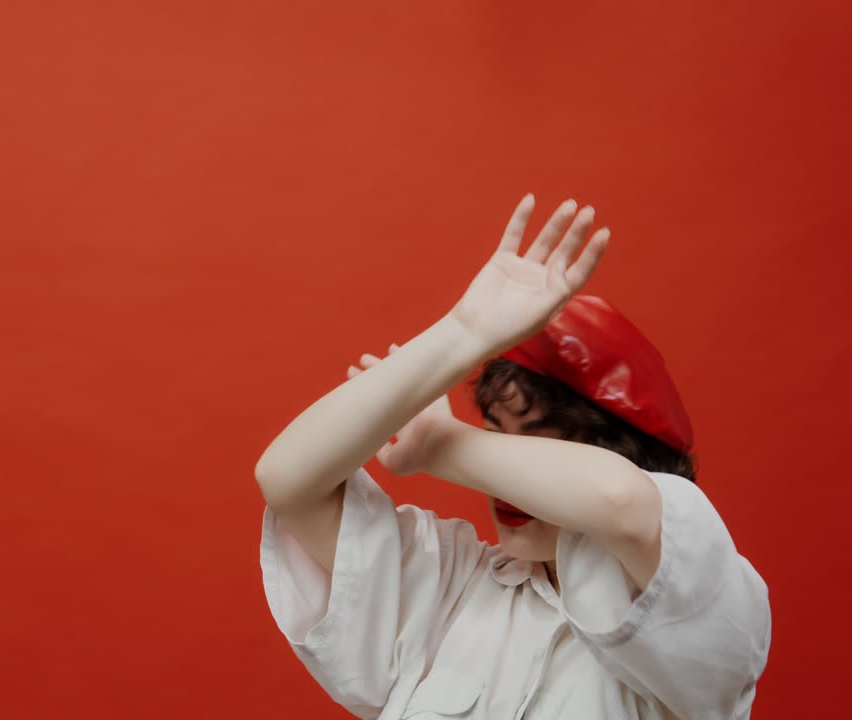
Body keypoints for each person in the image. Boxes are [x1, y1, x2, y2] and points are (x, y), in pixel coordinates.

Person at [254, 195, 771, 719]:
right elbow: (287, 480)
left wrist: (443, 444)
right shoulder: (450, 584)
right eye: (494, 432)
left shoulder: (705, 597)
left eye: (536, 442)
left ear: (622, 451)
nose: (501, 478)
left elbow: (620, 501)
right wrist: (464, 333)